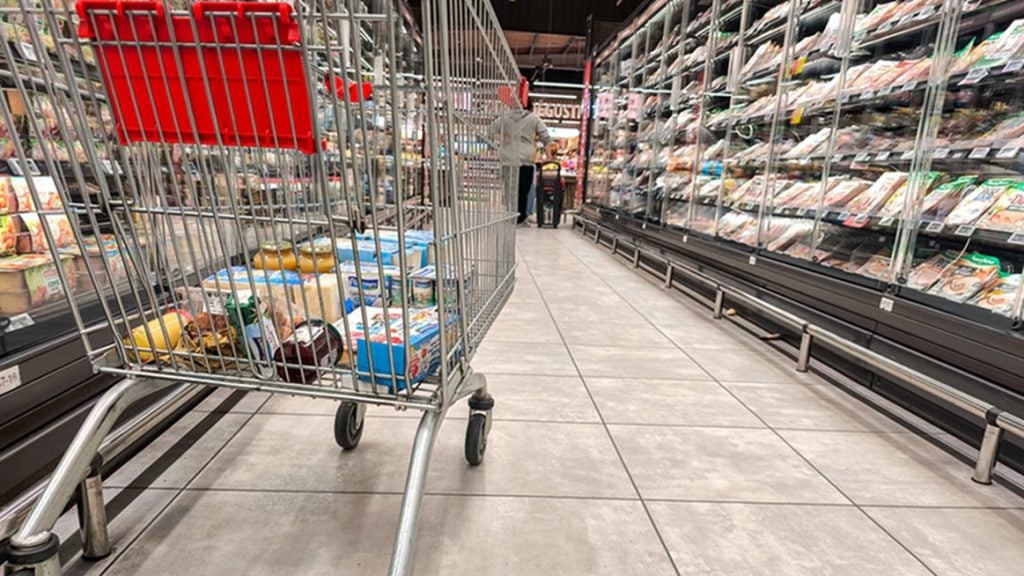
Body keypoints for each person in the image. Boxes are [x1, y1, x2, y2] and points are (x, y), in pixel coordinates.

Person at [511, 101, 553, 224]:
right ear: (530, 107)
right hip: (526, 160)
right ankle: (520, 217)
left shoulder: (506, 117)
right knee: (523, 191)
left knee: (509, 190)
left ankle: (509, 214)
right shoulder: (534, 119)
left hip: (508, 158)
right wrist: (549, 156)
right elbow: (546, 138)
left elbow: (490, 130)